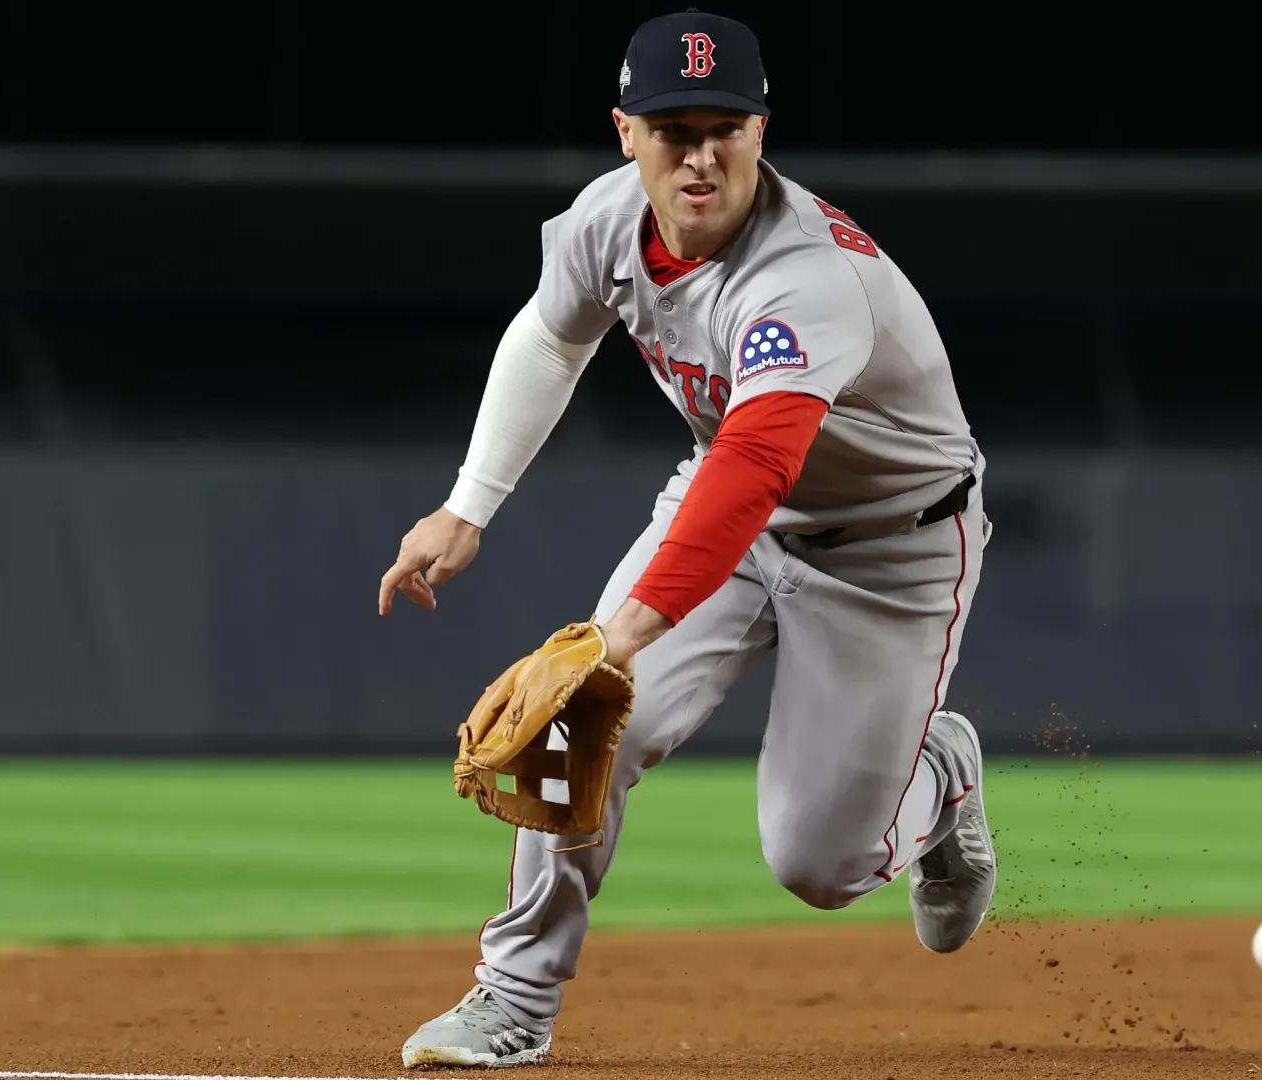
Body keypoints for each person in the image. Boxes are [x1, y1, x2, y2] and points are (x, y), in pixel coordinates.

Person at [378, 9, 995, 1068]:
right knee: (580, 730)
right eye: (673, 129)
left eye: (725, 127)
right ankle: (512, 1002)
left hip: (892, 550)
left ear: (763, 131)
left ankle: (940, 777)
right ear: (627, 132)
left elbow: (757, 468)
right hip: (727, 514)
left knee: (822, 864)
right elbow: (549, 334)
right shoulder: (605, 222)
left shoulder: (807, 279)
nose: (700, 154)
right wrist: (465, 507)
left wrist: (618, 636)